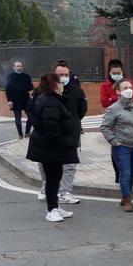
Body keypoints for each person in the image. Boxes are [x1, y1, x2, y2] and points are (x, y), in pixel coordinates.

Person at [26, 72, 80, 222]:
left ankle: (55, 207)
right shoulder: (51, 102)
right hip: (50, 148)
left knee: (55, 178)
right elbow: (51, 127)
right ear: (55, 85)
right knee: (52, 179)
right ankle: (51, 210)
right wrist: (66, 142)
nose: (63, 83)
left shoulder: (48, 99)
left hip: (49, 148)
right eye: (60, 81)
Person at [36, 60, 87, 205]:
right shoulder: (42, 91)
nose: (64, 77)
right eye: (60, 75)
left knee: (70, 164)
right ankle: (46, 188)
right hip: (48, 135)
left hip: (70, 134)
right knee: (45, 163)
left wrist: (72, 125)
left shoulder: (77, 91)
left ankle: (65, 192)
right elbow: (34, 111)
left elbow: (82, 110)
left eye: (66, 74)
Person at [100, 78, 133, 211]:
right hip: (122, 147)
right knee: (125, 173)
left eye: (130, 88)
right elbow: (104, 127)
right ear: (118, 92)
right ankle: (127, 199)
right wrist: (114, 142)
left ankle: (127, 195)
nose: (129, 90)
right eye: (125, 88)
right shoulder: (113, 109)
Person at [4, 60, 33, 140]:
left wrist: (29, 89)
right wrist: (9, 100)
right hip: (15, 101)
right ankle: (20, 135)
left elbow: (31, 87)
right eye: (17, 66)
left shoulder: (26, 76)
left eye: (20, 66)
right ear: (14, 67)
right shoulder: (10, 76)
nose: (19, 67)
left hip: (26, 100)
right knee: (18, 118)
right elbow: (7, 89)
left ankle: (27, 133)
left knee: (31, 117)